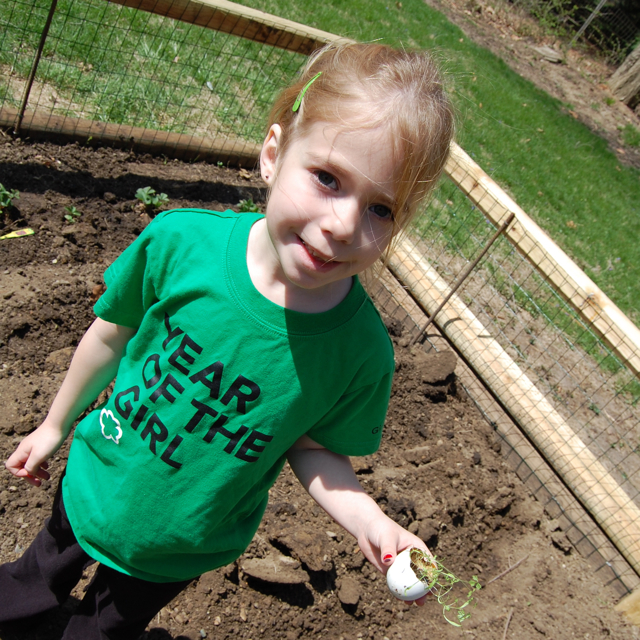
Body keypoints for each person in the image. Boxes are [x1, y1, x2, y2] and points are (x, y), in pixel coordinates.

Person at [0, 42, 454, 638]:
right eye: (327, 178)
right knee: (30, 584)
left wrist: (371, 521)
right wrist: (54, 424)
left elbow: (314, 449)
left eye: (381, 209)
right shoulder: (180, 243)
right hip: (96, 481)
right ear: (273, 155)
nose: (344, 224)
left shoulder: (360, 352)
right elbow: (111, 335)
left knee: (101, 630)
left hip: (184, 542)